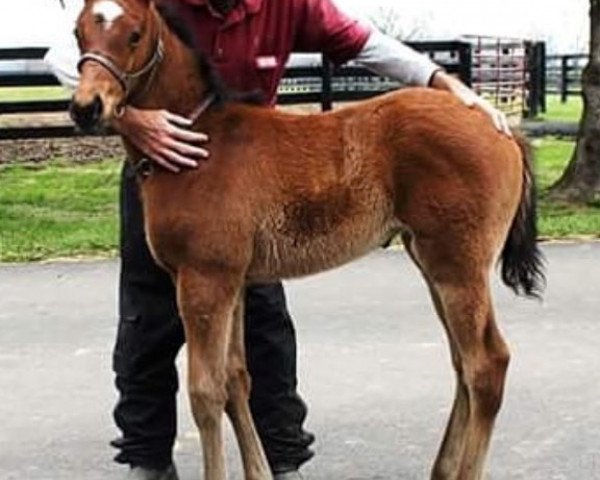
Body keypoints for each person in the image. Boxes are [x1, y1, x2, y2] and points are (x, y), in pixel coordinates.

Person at [45, 0, 510, 479]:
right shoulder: (152, 4)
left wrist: (439, 79)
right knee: (148, 320)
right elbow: (75, 50)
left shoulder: (289, 5)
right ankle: (147, 458)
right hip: (157, 155)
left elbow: (365, 43)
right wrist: (131, 120)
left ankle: (281, 455)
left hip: (254, 165)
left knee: (265, 329)